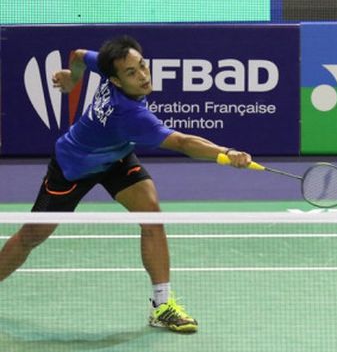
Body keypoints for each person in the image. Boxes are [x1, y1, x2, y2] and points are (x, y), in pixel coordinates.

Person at [0, 35, 252, 333]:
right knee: (32, 235)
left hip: (116, 156)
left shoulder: (108, 62)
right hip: (73, 166)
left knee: (151, 216)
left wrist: (72, 78)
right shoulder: (131, 114)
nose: (143, 76)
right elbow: (183, 142)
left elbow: (79, 54)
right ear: (116, 81)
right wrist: (226, 152)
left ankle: (162, 305)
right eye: (132, 73)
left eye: (142, 66)